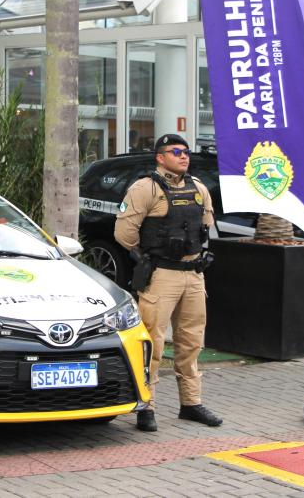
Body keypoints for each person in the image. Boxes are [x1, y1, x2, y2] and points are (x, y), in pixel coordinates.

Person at [114, 133, 222, 432]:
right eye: (176, 152)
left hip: (193, 274)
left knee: (191, 341)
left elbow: (206, 226)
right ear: (160, 157)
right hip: (161, 275)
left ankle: (191, 403)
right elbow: (124, 234)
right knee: (153, 343)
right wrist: (149, 255)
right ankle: (146, 407)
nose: (183, 156)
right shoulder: (144, 188)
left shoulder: (199, 187)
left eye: (186, 151)